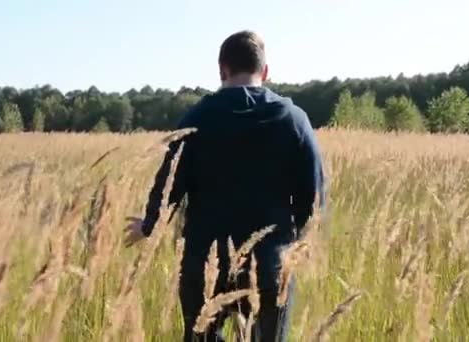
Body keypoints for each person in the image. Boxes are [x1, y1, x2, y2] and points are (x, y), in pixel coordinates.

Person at [125, 30, 324, 342]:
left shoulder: (198, 117)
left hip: (205, 264)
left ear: (222, 70)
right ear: (266, 71)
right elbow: (312, 200)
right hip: (270, 266)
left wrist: (148, 225)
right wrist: (300, 243)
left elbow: (169, 183)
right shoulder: (293, 120)